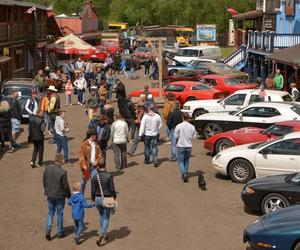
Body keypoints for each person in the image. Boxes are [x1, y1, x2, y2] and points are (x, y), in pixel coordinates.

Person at [43, 154, 71, 241]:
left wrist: (47, 190)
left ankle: (48, 231)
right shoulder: (63, 172)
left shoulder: (47, 169)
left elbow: (44, 182)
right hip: (60, 196)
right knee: (59, 214)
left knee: (50, 213)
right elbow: (65, 186)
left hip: (50, 195)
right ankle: (60, 232)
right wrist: (68, 194)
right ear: (61, 160)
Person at [91, 161, 117, 246]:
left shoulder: (95, 176)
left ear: (98, 166)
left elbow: (93, 190)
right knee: (106, 217)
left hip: (97, 199)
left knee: (101, 215)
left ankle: (104, 233)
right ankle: (101, 235)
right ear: (105, 165)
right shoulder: (109, 175)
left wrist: (93, 199)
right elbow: (112, 189)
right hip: (107, 199)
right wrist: (114, 197)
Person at [79, 128, 102, 196]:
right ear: (92, 135)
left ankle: (93, 197)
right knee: (84, 182)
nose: (96, 136)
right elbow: (81, 155)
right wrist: (84, 165)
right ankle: (81, 196)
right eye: (95, 135)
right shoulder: (84, 144)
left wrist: (97, 161)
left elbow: (100, 154)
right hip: (87, 167)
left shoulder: (97, 144)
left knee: (93, 181)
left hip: (94, 166)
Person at [174, 113, 196, 183]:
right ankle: (185, 173)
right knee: (186, 160)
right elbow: (194, 137)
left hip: (181, 145)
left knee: (180, 161)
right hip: (188, 146)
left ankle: (184, 173)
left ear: (182, 117)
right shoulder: (192, 127)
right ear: (188, 118)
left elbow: (175, 136)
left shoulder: (179, 126)